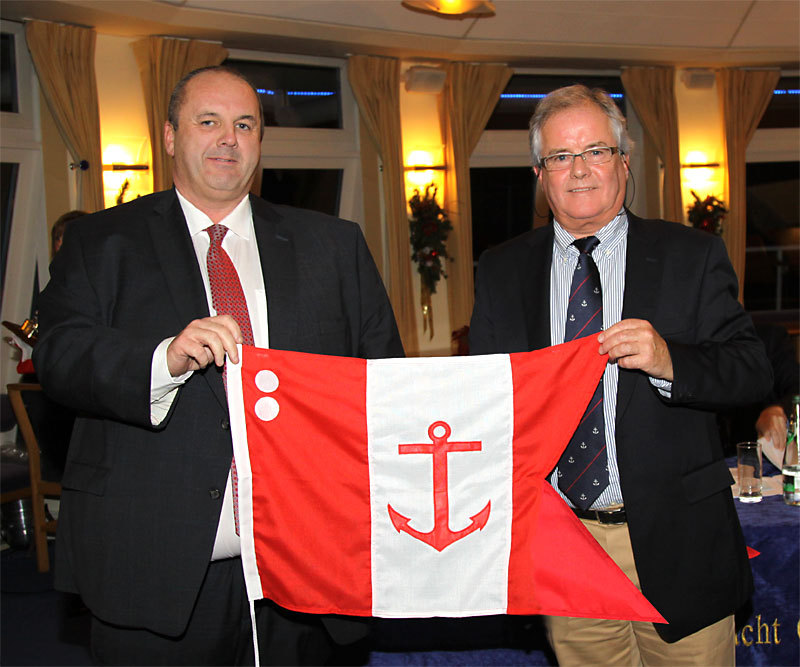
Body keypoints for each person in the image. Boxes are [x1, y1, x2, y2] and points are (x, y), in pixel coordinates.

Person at [33, 65, 403, 665]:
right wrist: (164, 359)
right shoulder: (103, 243)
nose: (228, 138)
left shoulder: (332, 246)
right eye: (208, 122)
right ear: (172, 136)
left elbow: (385, 381)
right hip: (154, 563)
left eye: (245, 125)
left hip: (308, 566)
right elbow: (60, 354)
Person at [469, 85, 772, 665]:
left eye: (596, 152)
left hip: (676, 543)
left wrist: (668, 359)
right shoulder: (503, 269)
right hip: (564, 547)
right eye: (560, 157)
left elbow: (752, 372)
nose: (579, 170)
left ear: (624, 163)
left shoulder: (691, 255)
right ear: (540, 174)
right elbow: (489, 398)